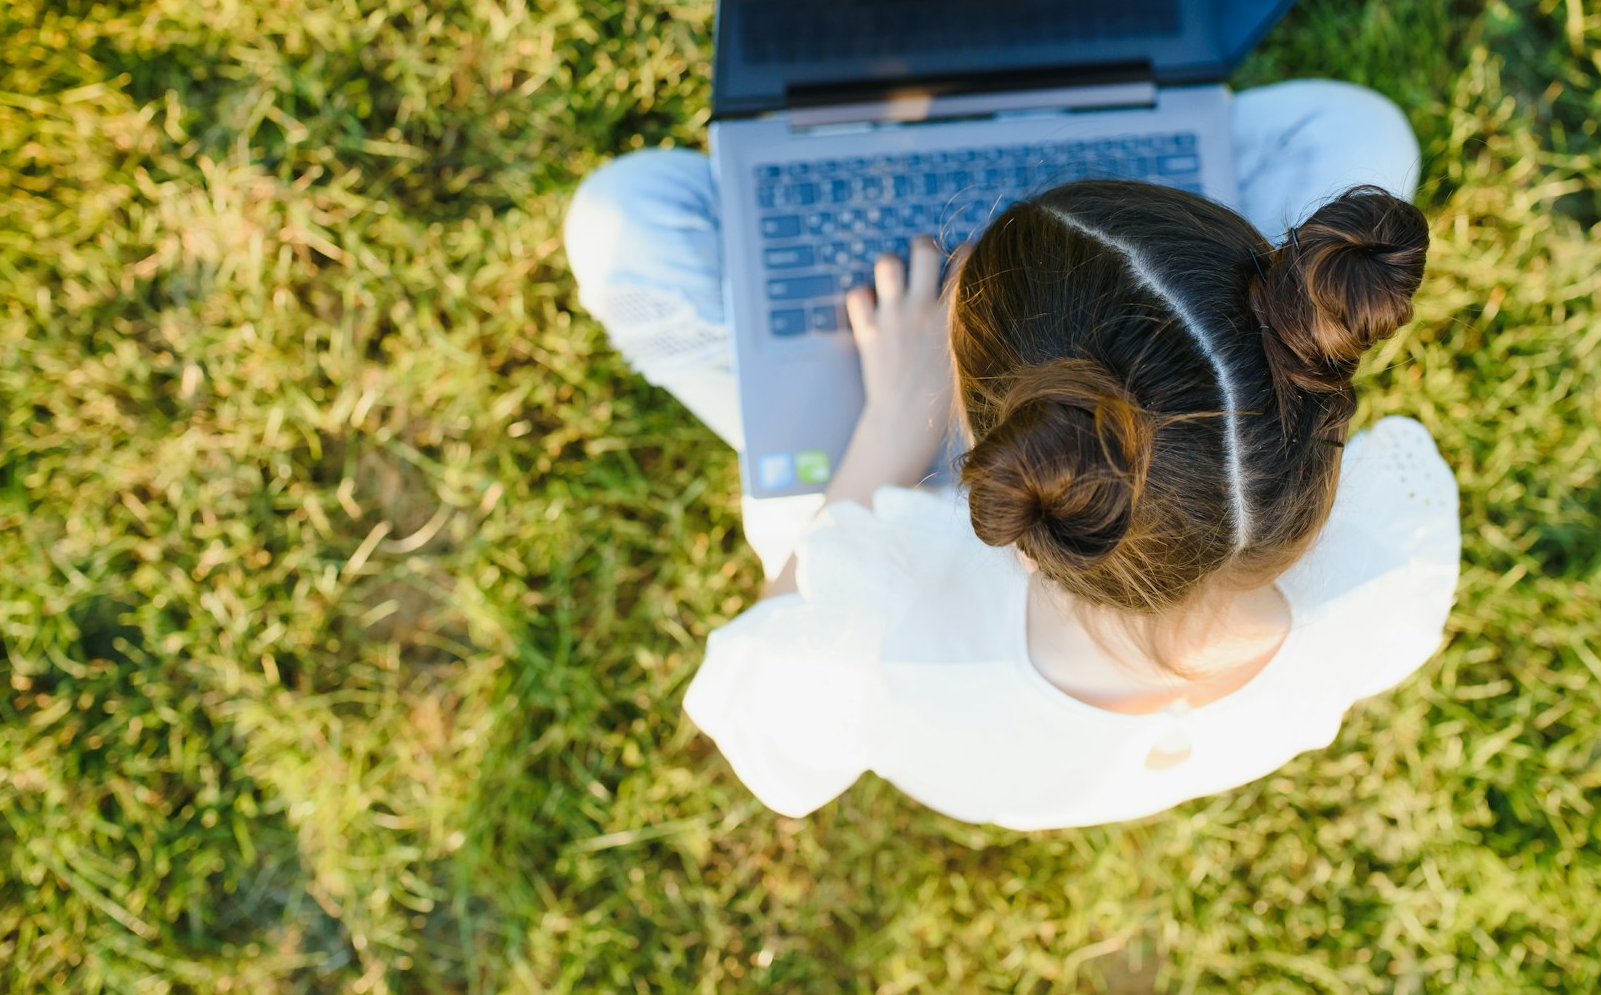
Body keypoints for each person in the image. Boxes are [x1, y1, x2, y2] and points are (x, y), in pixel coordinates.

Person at [564, 80, 1460, 830]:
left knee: (620, 223)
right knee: (1366, 136)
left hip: (886, 482)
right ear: (1278, 421)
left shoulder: (893, 645)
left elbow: (758, 709)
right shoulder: (1387, 588)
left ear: (970, 419)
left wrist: (889, 428)